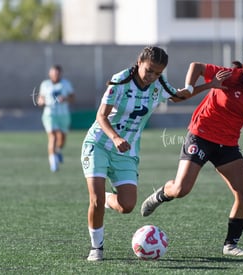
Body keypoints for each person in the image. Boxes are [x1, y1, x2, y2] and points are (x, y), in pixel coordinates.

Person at [140, 44, 243, 256]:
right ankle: (160, 195)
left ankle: (230, 245)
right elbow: (196, 66)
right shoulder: (229, 76)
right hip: (201, 135)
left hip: (227, 145)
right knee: (181, 189)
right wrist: (188, 87)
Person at [81, 46, 193, 261]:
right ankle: (97, 248)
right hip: (100, 144)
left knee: (127, 206)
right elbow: (101, 116)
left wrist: (210, 85)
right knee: (94, 199)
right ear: (140, 62)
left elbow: (179, 96)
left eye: (158, 73)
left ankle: (106, 199)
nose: (152, 76)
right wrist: (115, 137)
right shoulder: (121, 80)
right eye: (149, 70)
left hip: (127, 150)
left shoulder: (158, 84)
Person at [38, 65, 75, 172]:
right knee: (52, 137)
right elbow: (41, 97)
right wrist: (40, 101)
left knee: (62, 140)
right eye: (53, 73)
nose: (55, 75)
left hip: (63, 114)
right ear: (50, 74)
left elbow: (73, 97)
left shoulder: (66, 84)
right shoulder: (45, 84)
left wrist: (65, 98)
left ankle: (58, 151)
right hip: (50, 114)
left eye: (57, 73)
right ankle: (53, 163)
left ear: (61, 74)